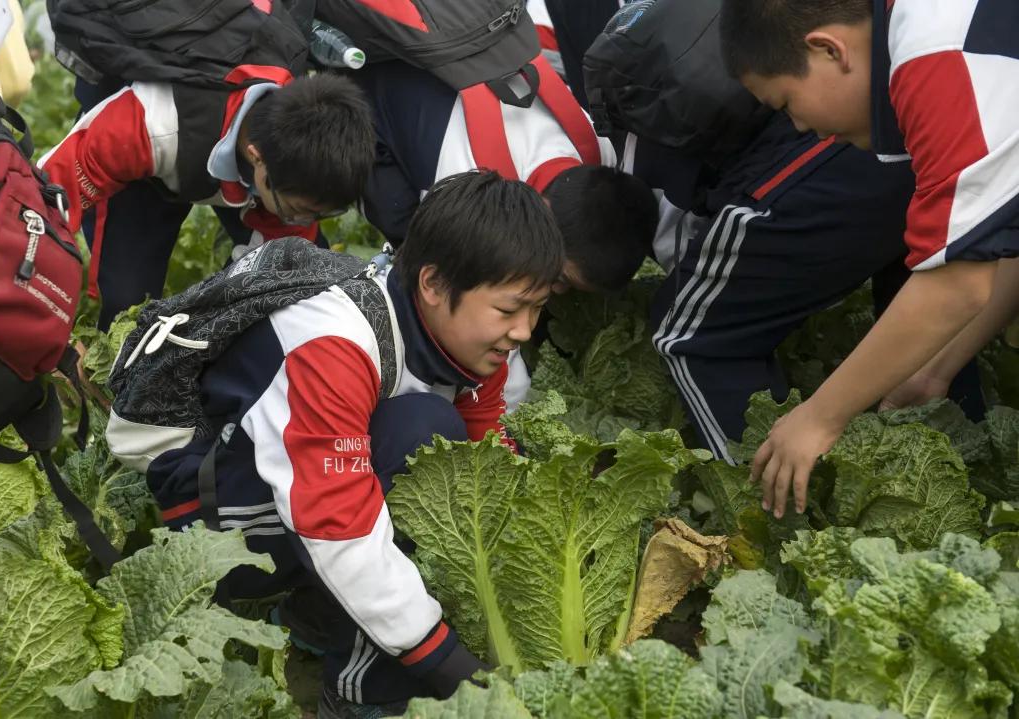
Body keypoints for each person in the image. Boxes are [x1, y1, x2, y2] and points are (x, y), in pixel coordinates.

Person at [145, 170, 562, 718]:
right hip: (207, 529)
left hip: (289, 492)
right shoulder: (331, 342)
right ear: (434, 284)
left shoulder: (466, 342)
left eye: (536, 309)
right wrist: (443, 662)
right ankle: (364, 691)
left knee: (444, 447)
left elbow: (489, 454)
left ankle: (316, 618)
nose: (524, 331)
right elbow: (337, 524)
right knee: (420, 436)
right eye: (509, 310)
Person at [719, 0, 1019, 518]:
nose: (798, 127)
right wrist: (933, 369)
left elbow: (957, 283)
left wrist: (819, 417)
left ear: (829, 49)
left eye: (786, 103)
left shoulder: (932, 56)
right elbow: (1003, 237)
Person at [40, 71, 377, 326]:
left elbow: (283, 275)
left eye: (321, 214)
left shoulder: (300, 148)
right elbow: (43, 198)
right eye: (300, 212)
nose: (306, 223)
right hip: (152, 169)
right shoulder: (150, 124)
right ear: (257, 158)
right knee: (127, 305)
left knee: (295, 281)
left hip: (248, 176)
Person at [355, 59, 657, 295]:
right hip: (365, 90)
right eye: (560, 278)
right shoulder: (466, 194)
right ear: (544, 212)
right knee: (407, 233)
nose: (555, 290)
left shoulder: (597, 147)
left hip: (459, 61)